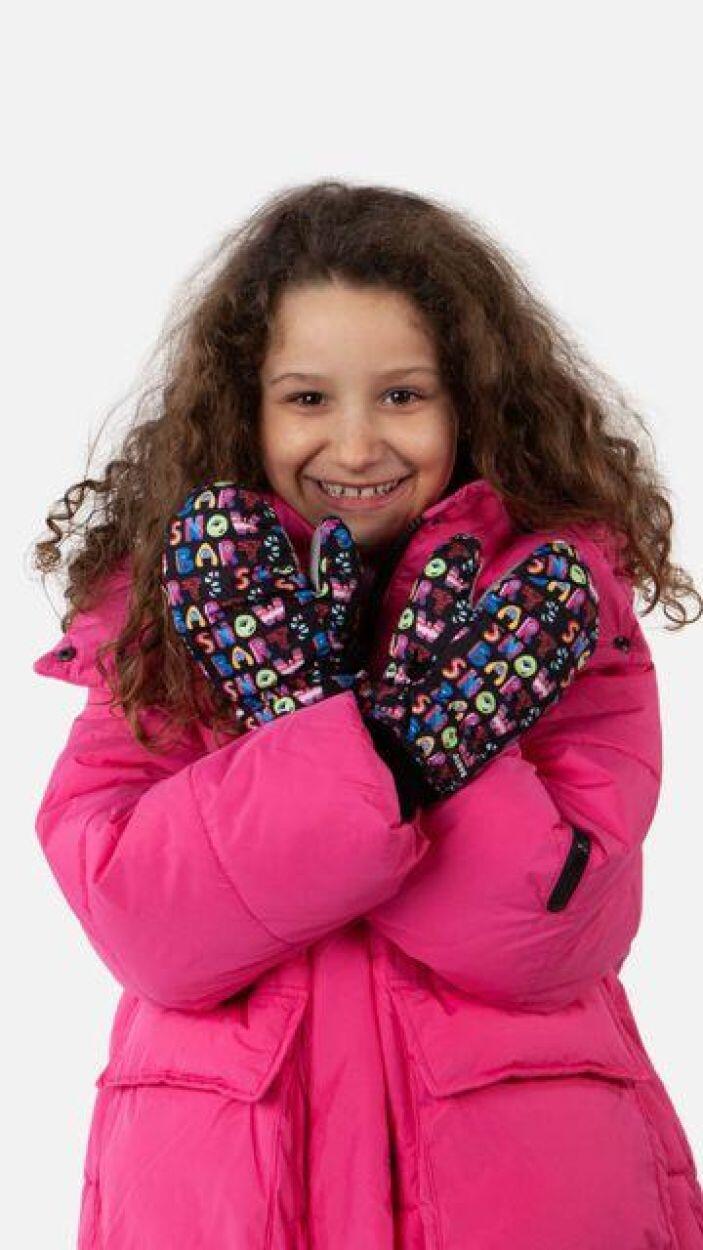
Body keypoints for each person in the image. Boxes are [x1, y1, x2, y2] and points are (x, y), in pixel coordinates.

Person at [31, 179, 703, 1249]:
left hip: (527, 1191)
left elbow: (551, 933)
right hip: (224, 1195)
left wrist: (410, 746)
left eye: (402, 395)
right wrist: (321, 723)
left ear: (472, 404)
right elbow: (147, 925)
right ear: (243, 408)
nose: (354, 446)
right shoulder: (158, 626)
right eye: (307, 398)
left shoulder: (552, 612)